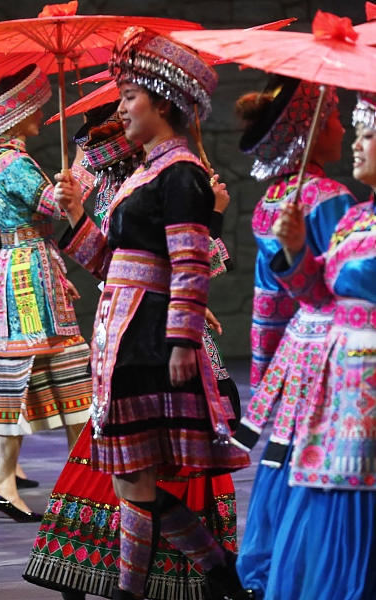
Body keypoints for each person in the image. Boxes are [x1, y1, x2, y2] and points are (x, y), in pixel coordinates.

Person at [55, 28, 251, 599]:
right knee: (127, 477)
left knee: (133, 476)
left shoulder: (181, 173)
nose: (120, 109)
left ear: (162, 101)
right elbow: (112, 263)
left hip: (148, 338)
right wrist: (75, 221)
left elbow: (190, 263)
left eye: (129, 98)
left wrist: (184, 343)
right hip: (121, 333)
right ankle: (218, 574)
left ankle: (134, 591)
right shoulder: (143, 174)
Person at [229, 77, 357, 597]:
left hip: (295, 346)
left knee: (288, 454)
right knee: (325, 457)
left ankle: (277, 564)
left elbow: (268, 304)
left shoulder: (272, 201)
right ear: (306, 134)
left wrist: (265, 375)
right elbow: (345, 281)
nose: (343, 128)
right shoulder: (328, 198)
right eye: (332, 120)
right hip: (336, 345)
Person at [261, 90, 376, 600]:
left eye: (369, 134)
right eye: (356, 129)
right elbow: (317, 293)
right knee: (330, 483)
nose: (356, 142)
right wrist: (296, 250)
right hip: (338, 376)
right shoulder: (353, 217)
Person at [0, 64, 93, 522]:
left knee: (17, 376)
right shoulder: (17, 164)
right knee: (61, 367)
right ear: (16, 115)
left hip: (13, 265)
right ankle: (82, 478)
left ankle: (9, 483)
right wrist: (84, 161)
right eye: (33, 109)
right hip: (31, 273)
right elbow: (57, 208)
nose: (40, 115)